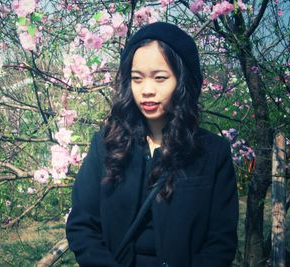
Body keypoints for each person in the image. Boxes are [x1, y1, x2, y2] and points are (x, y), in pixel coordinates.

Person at [65, 22, 239, 267]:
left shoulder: (212, 153)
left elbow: (220, 242)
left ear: (183, 81)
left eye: (160, 78)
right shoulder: (106, 146)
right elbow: (82, 225)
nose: (146, 90)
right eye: (137, 79)